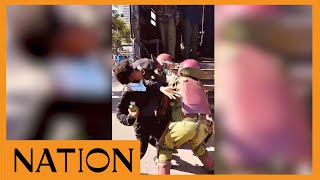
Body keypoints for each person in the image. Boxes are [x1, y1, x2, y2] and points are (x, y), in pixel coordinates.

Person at [157, 59, 214, 175]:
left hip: (184, 124)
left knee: (164, 147)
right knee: (198, 146)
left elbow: (165, 105)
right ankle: (212, 167)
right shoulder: (200, 86)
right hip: (203, 125)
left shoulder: (177, 82)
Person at [114, 60, 178, 159]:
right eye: (135, 70)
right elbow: (119, 111)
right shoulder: (128, 92)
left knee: (161, 138)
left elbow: (151, 84)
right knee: (141, 150)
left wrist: (162, 88)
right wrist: (130, 118)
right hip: (141, 124)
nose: (139, 69)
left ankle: (163, 153)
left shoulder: (142, 83)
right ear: (131, 78)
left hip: (151, 119)